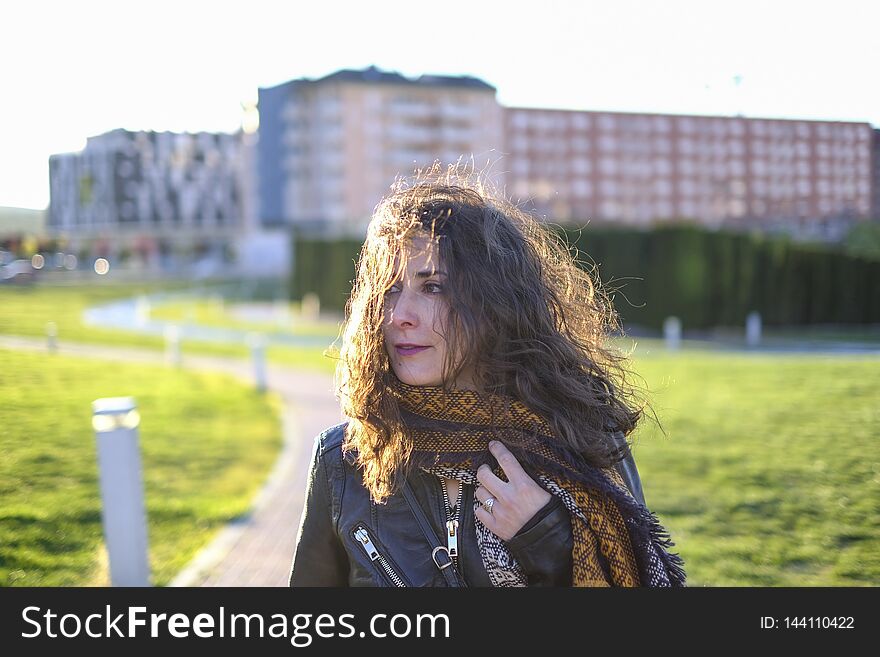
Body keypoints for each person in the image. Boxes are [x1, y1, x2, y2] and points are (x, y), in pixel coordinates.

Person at [288, 164, 686, 587]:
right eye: (389, 290)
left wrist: (545, 541)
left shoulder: (581, 438)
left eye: (434, 287)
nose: (399, 316)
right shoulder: (343, 460)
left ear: (494, 304)